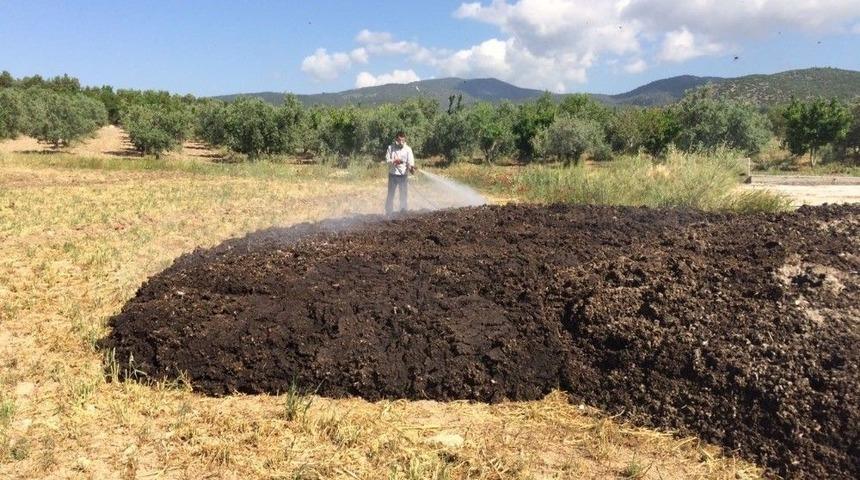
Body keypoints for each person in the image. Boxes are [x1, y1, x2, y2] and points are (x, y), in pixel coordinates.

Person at [384, 131, 415, 215]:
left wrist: (411, 168)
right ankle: (388, 212)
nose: (401, 142)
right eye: (399, 140)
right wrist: (394, 161)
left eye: (402, 140)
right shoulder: (390, 148)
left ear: (405, 140)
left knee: (403, 195)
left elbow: (411, 163)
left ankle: (403, 212)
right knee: (390, 195)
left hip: (403, 176)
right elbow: (387, 160)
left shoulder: (408, 149)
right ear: (396, 139)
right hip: (393, 175)